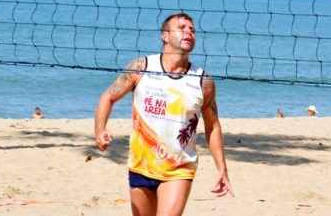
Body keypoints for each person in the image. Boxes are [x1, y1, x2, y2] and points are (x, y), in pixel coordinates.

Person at [93, 12, 233, 216]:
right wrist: (100, 130)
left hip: (179, 168)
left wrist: (222, 168)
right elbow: (108, 97)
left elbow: (213, 126)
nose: (189, 32)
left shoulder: (203, 81)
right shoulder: (141, 67)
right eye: (182, 28)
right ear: (165, 36)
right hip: (141, 164)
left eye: (192, 30)